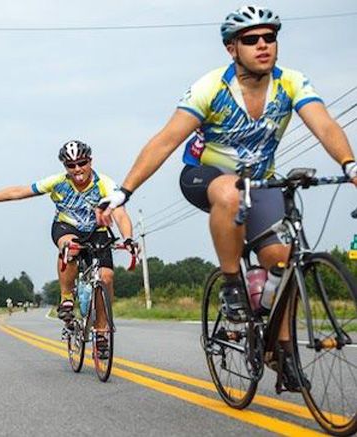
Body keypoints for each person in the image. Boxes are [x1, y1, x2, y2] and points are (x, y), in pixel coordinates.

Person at [98, 6, 356, 391]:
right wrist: (123, 192)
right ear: (232, 48)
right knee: (230, 190)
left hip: (260, 183)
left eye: (270, 37)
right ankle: (232, 284)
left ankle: (280, 351)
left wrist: (350, 165)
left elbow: (324, 123)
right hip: (205, 176)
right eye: (251, 40)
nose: (263, 45)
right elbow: (165, 141)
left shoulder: (292, 83)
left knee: (284, 263)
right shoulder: (211, 87)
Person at [0, 140, 134, 339]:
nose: (77, 169)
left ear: (90, 161)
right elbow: (19, 192)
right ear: (65, 166)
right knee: (71, 247)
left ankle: (102, 331)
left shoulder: (105, 183)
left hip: (97, 231)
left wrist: (128, 238)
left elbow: (120, 213)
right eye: (71, 165)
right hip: (66, 227)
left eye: (82, 163)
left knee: (107, 277)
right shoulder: (58, 182)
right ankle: (66, 298)